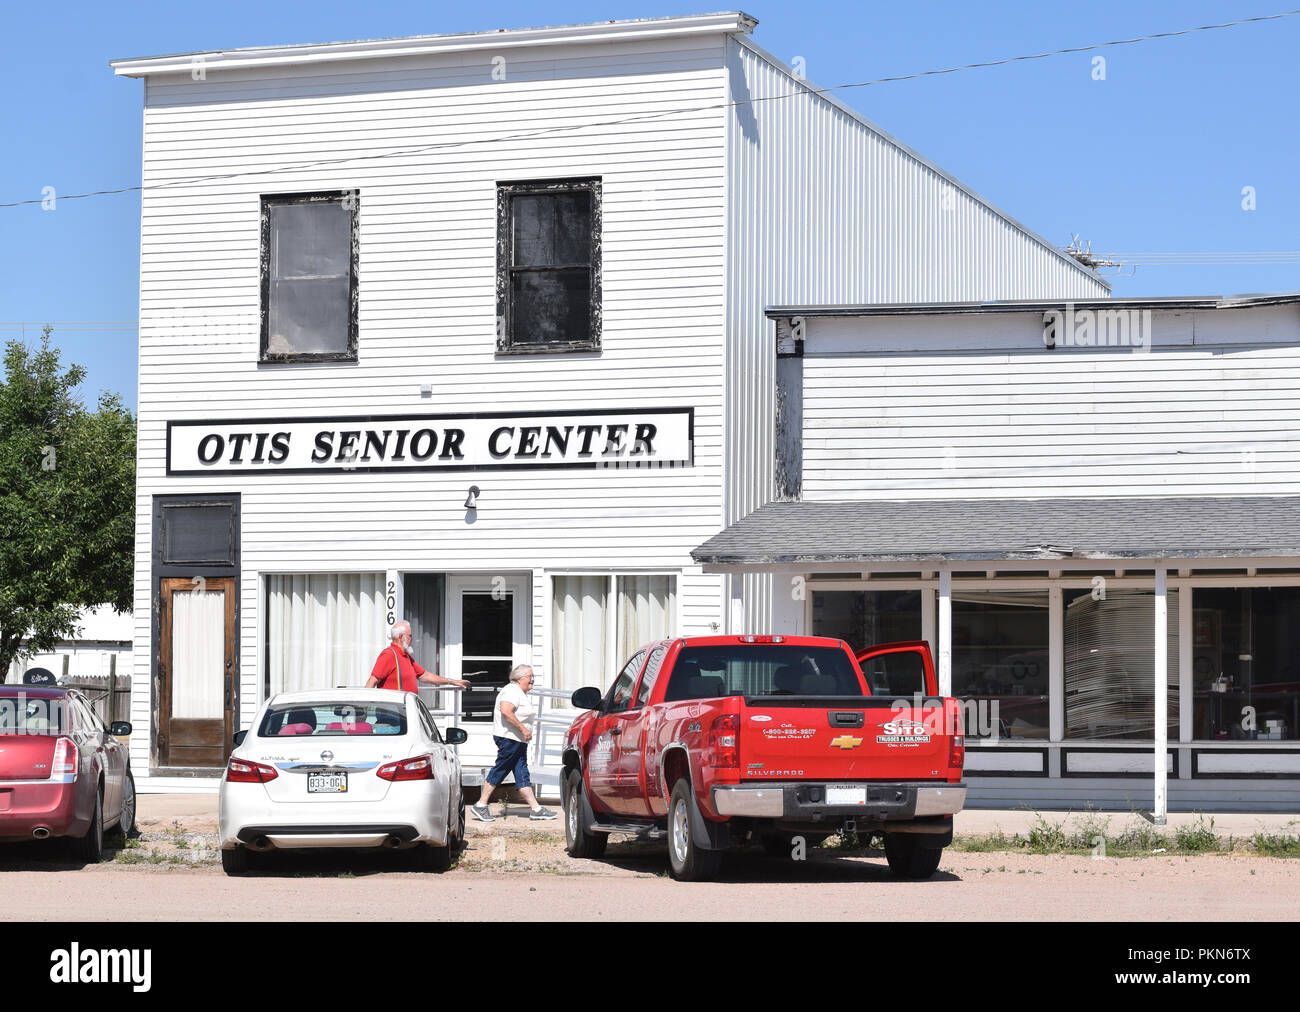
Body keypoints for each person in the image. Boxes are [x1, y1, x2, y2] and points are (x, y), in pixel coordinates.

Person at [471, 664, 557, 821]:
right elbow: (506, 711)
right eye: (529, 676)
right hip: (509, 738)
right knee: (501, 769)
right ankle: (481, 804)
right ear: (519, 679)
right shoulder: (511, 691)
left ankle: (536, 809)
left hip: (517, 739)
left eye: (533, 676)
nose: (532, 679)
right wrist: (523, 729)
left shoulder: (518, 692)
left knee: (521, 772)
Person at [366, 621, 470, 693]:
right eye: (410, 636)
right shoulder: (389, 654)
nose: (412, 639)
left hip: (404, 713)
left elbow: (425, 676)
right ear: (402, 637)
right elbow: (372, 680)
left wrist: (451, 681)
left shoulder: (405, 656)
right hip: (392, 718)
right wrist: (363, 709)